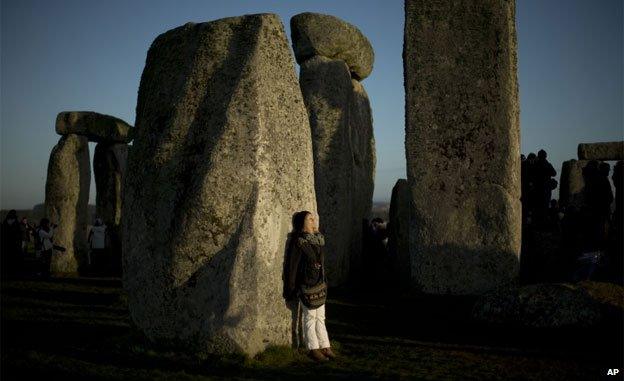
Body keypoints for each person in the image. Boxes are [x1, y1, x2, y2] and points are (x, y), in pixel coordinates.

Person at [284, 211, 334, 362]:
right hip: (306, 284)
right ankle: (313, 348)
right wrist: (291, 287)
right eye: (310, 219)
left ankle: (325, 346)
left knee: (321, 317)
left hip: (319, 284)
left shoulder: (317, 240)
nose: (314, 221)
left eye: (314, 218)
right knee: (310, 317)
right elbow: (292, 266)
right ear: (302, 223)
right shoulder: (299, 242)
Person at [1, 210, 22, 278]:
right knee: (13, 257)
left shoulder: (5, 222)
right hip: (13, 242)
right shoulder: (15, 222)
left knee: (9, 257)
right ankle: (12, 271)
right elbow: (18, 232)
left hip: (8, 242)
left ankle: (9, 270)